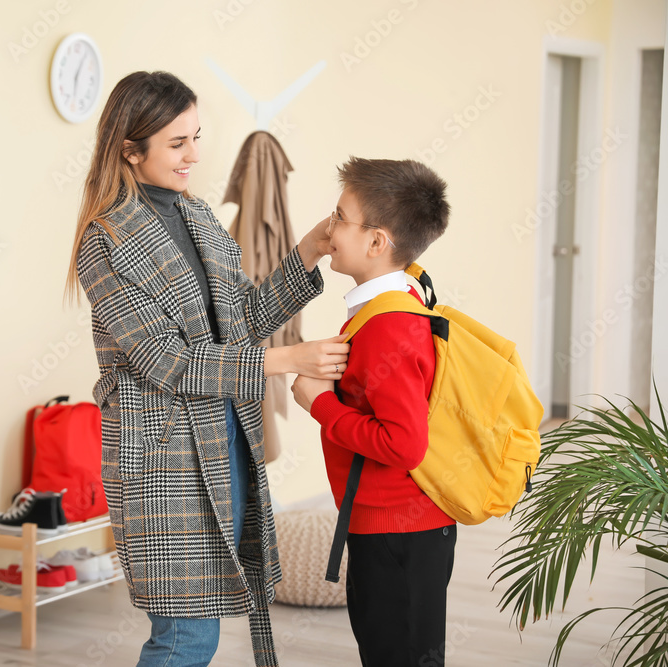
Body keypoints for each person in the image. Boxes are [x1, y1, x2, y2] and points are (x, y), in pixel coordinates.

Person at [66, 71, 349, 667]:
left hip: (224, 439)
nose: (195, 154)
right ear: (129, 149)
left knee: (206, 620)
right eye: (177, 143)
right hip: (163, 457)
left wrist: (309, 250)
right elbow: (165, 361)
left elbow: (243, 317)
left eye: (196, 136)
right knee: (185, 633)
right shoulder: (105, 241)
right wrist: (287, 360)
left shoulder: (197, 219)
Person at [291, 156, 454, 667]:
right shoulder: (400, 296)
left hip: (398, 533)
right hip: (392, 526)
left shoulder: (388, 326)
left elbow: (404, 443)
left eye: (339, 216)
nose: (329, 227)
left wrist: (319, 403)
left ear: (377, 241)